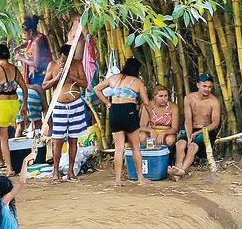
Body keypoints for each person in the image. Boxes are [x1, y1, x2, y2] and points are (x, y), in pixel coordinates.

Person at [42, 43, 94, 180]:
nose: (67, 61)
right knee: (57, 140)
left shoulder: (77, 65)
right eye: (65, 58)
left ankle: (71, 171)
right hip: (59, 106)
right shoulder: (53, 65)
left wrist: (72, 77)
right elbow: (44, 85)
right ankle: (55, 171)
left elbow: (85, 84)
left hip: (76, 105)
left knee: (73, 139)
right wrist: (57, 77)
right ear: (62, 55)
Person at [98, 58, 151, 187]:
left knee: (119, 148)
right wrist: (152, 117)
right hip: (129, 112)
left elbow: (96, 89)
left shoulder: (114, 78)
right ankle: (140, 178)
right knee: (135, 148)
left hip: (115, 112)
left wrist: (108, 103)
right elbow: (146, 103)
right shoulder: (137, 82)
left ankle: (117, 180)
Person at [0, 43, 26, 175]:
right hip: (14, 103)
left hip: (2, 105)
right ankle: (22, 163)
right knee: (17, 134)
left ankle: (9, 168)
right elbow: (24, 87)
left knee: (3, 138)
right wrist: (24, 104)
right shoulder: (14, 69)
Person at [176, 74, 221, 177]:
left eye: (210, 87)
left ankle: (182, 170)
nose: (207, 89)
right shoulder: (189, 98)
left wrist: (198, 132)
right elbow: (188, 119)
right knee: (180, 144)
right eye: (204, 86)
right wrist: (188, 136)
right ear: (198, 85)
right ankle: (177, 168)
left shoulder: (214, 102)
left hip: (206, 131)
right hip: (191, 129)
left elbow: (215, 123)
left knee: (192, 146)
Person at [18, 16, 52, 153]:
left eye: (25, 33)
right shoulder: (35, 39)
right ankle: (45, 132)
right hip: (34, 76)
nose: (25, 36)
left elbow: (37, 63)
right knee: (41, 106)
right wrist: (21, 47)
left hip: (39, 77)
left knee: (44, 106)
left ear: (31, 32)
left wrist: (21, 58)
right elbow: (29, 46)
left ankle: (50, 131)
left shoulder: (38, 42)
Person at [144, 85, 178, 151]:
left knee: (170, 140)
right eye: (160, 96)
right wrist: (151, 131)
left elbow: (175, 129)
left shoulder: (173, 107)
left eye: (166, 96)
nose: (163, 99)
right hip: (151, 131)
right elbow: (141, 126)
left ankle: (167, 157)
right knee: (142, 136)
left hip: (167, 132)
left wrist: (164, 133)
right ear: (154, 97)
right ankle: (146, 156)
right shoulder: (148, 106)